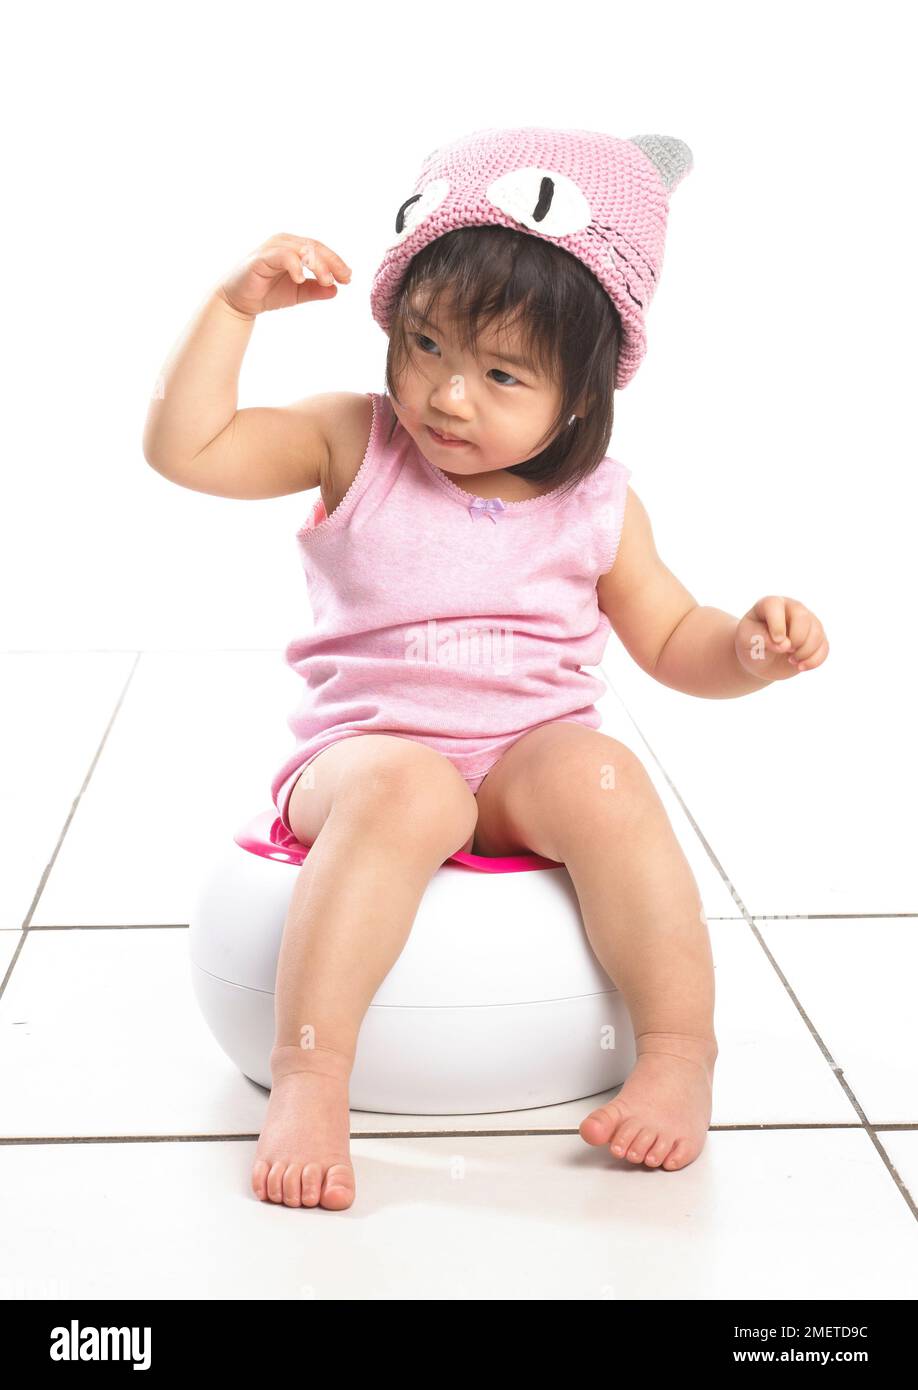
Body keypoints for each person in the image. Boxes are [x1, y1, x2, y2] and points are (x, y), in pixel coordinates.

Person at [143, 127, 830, 1212]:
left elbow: (672, 637)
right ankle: (314, 1074)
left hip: (521, 763)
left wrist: (746, 647)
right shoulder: (351, 441)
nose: (447, 397)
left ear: (583, 392)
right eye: (424, 345)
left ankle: (678, 1051)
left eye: (501, 371)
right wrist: (233, 311)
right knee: (408, 786)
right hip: (361, 758)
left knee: (606, 780)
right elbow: (189, 449)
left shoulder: (600, 501)